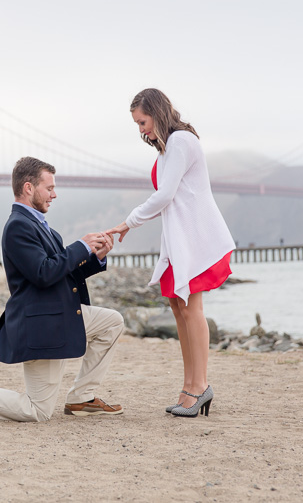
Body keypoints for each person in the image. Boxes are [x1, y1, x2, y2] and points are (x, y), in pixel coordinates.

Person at [0, 157, 125, 423]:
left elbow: (63, 273)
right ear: (28, 188)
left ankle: (82, 396)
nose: (54, 194)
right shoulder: (17, 227)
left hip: (60, 315)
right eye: (49, 188)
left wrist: (95, 256)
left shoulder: (45, 229)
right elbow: (43, 273)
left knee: (112, 322)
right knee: (38, 410)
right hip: (41, 325)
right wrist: (79, 246)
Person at [105, 88, 235, 418]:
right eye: (136, 124)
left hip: (196, 239)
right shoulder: (165, 151)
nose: (140, 130)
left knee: (192, 307)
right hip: (178, 241)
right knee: (178, 306)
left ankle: (200, 386)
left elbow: (165, 196)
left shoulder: (181, 142)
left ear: (158, 113)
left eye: (143, 121)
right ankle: (189, 384)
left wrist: (127, 223)